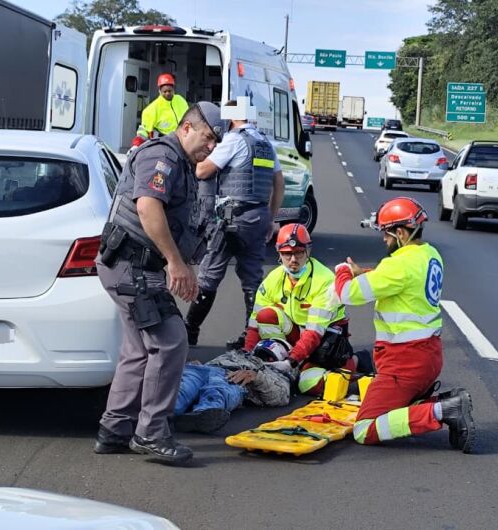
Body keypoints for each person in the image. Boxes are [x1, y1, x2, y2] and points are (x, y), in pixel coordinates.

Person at [93, 101, 227, 465]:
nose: (211, 147)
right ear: (186, 128)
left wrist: (183, 262)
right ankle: (151, 433)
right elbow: (147, 207)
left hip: (134, 266)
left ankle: (114, 430)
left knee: (139, 349)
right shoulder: (162, 156)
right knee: (171, 342)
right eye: (208, 137)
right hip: (132, 266)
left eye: (217, 142)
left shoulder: (182, 164)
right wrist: (175, 263)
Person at [332, 197, 476, 453]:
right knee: (392, 410)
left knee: (364, 428)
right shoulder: (429, 254)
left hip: (403, 364)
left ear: (401, 233)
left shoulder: (397, 264)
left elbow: (347, 295)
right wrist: (363, 272)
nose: (384, 240)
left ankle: (443, 410)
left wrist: (343, 270)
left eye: (386, 235)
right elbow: (396, 280)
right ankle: (445, 405)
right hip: (427, 357)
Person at [184, 96, 285, 347]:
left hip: (233, 218)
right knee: (252, 279)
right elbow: (279, 182)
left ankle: (190, 331)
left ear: (230, 118)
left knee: (209, 275)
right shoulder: (265, 143)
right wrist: (271, 219)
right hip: (259, 217)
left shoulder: (233, 140)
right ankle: (251, 336)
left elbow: (202, 171)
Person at [242, 224, 358, 377]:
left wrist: (291, 362)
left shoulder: (325, 281)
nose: (293, 260)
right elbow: (254, 325)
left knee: (309, 384)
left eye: (299, 253)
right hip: (297, 332)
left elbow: (314, 332)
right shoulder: (273, 279)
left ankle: (355, 360)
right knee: (265, 315)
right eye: (287, 254)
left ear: (308, 252)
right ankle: (285, 361)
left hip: (324, 339)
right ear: (279, 253)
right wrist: (247, 357)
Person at [173, 345, 295, 433]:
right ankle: (164, 410)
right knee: (183, 388)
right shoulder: (238, 353)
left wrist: (257, 377)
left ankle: (202, 415)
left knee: (218, 391)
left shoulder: (277, 373)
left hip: (232, 377)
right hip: (205, 368)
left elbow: (280, 396)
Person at [131, 73, 189, 149]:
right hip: (163, 145)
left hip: (182, 142)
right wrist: (136, 145)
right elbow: (144, 130)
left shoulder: (181, 101)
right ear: (159, 91)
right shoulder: (152, 109)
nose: (168, 93)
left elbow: (189, 118)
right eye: (165, 91)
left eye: (170, 91)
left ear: (173, 89)